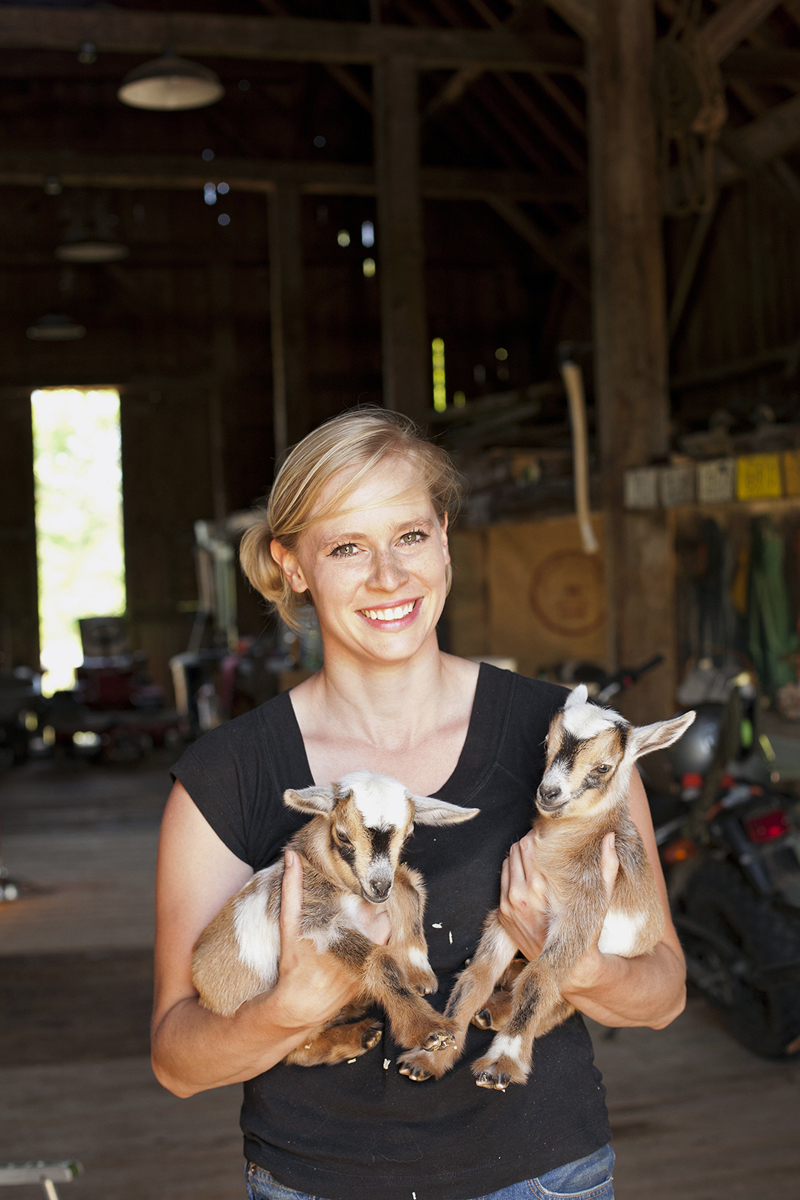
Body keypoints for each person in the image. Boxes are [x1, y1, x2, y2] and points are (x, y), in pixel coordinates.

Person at [152, 407, 685, 1200]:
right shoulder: (229, 774)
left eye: (408, 536)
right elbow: (175, 1062)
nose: (388, 578)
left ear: (442, 536)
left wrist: (577, 959)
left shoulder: (566, 741)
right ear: (292, 565)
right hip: (317, 1183)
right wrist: (286, 1010)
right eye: (345, 548)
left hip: (543, 1178)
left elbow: (665, 993)